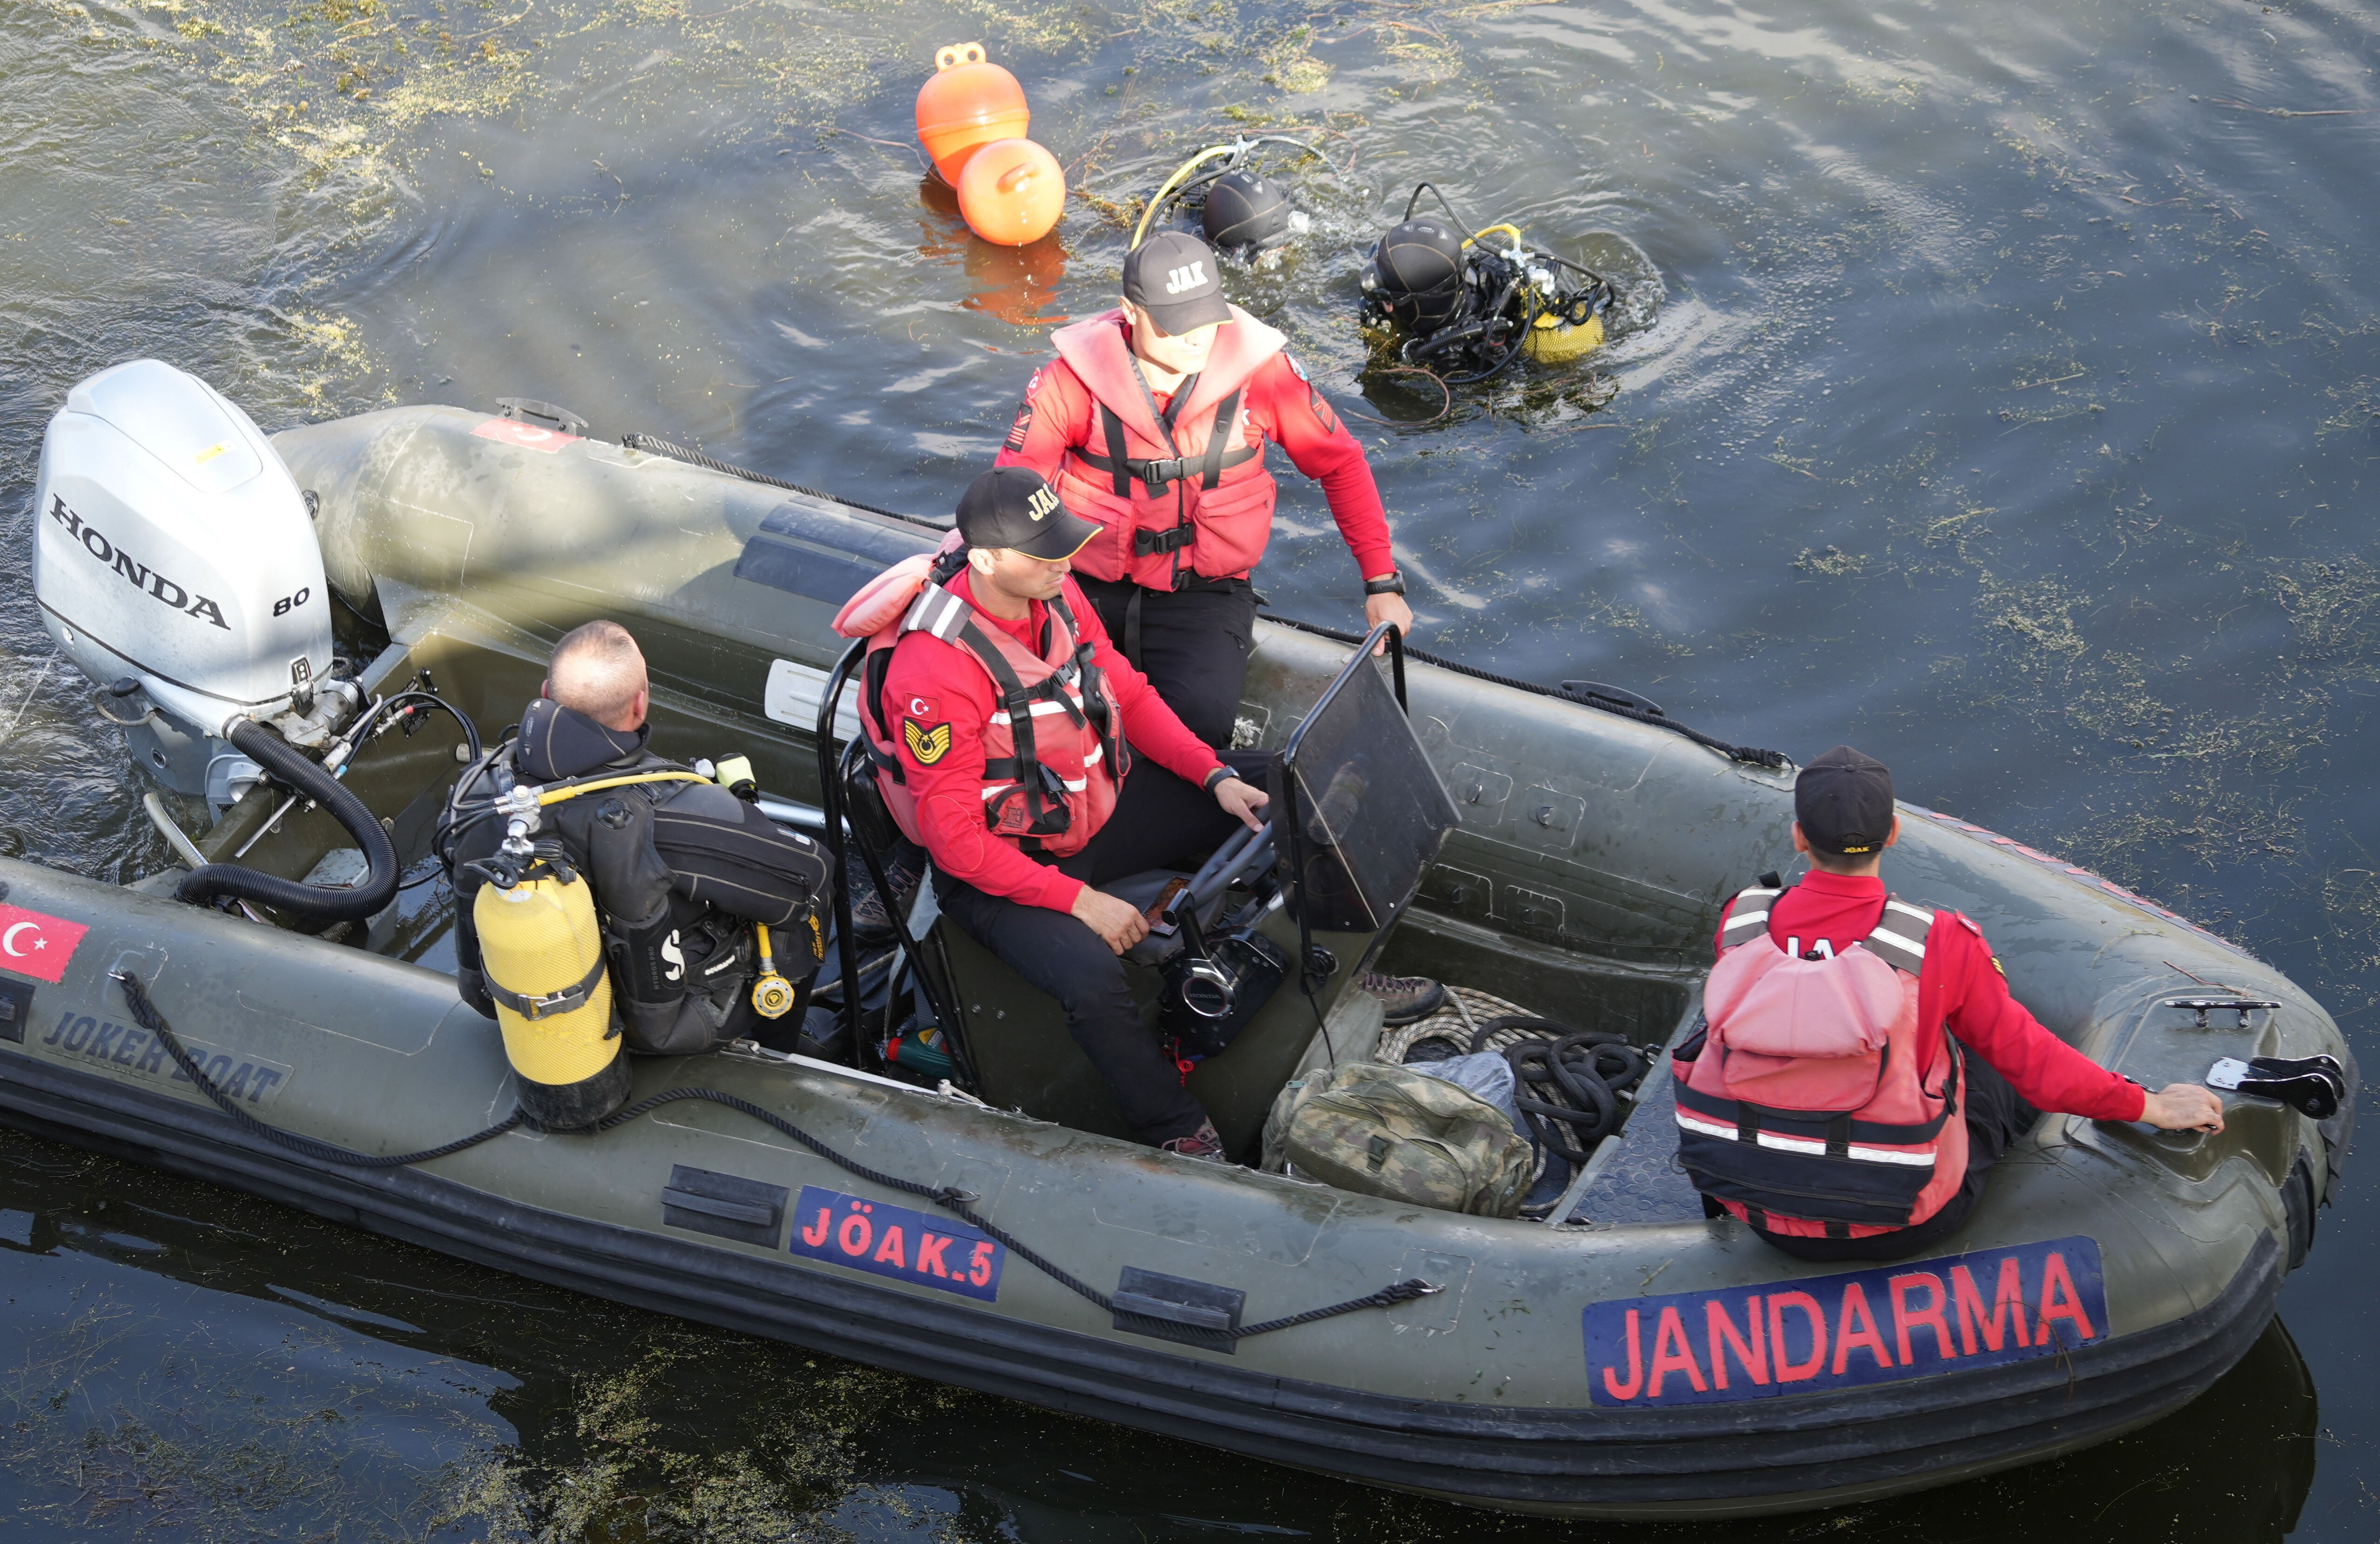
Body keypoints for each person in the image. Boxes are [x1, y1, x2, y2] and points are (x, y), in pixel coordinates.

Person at [991, 230, 1441, 1027]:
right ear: (1129, 315)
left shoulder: (1259, 372)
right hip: (1083, 590)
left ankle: (1227, 923)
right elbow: (1015, 486)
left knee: (1193, 745)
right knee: (1067, 747)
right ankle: (1100, 909)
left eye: (1206, 317)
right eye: (1175, 324)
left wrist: (1379, 580)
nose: (1199, 338)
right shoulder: (1070, 380)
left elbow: (1338, 462)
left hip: (1200, 597)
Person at [1674, 745, 2224, 1262]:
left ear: (1799, 837)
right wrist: (2151, 1107)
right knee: (1985, 1061)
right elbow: (2039, 1070)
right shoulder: (1939, 940)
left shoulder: (1742, 924)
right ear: (1893, 832)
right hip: (1908, 1219)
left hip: (1764, 1214)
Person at [868, 467, 1269, 1158]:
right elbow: (955, 842)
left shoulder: (1054, 594)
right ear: (987, 559)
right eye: (1045, 553)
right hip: (1000, 871)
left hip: (1093, 813)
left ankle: (1262, 951)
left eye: (1064, 547)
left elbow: (1130, 694)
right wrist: (1080, 902)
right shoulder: (933, 674)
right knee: (1089, 976)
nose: (1065, 562)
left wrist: (1213, 775)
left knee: (1280, 781)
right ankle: (1172, 1126)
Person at [447, 620, 833, 1056]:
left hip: (516, 996)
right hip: (658, 1028)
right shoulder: (683, 812)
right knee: (812, 889)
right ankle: (781, 1046)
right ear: (640, 704)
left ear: (544, 692)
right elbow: (811, 873)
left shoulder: (477, 789)